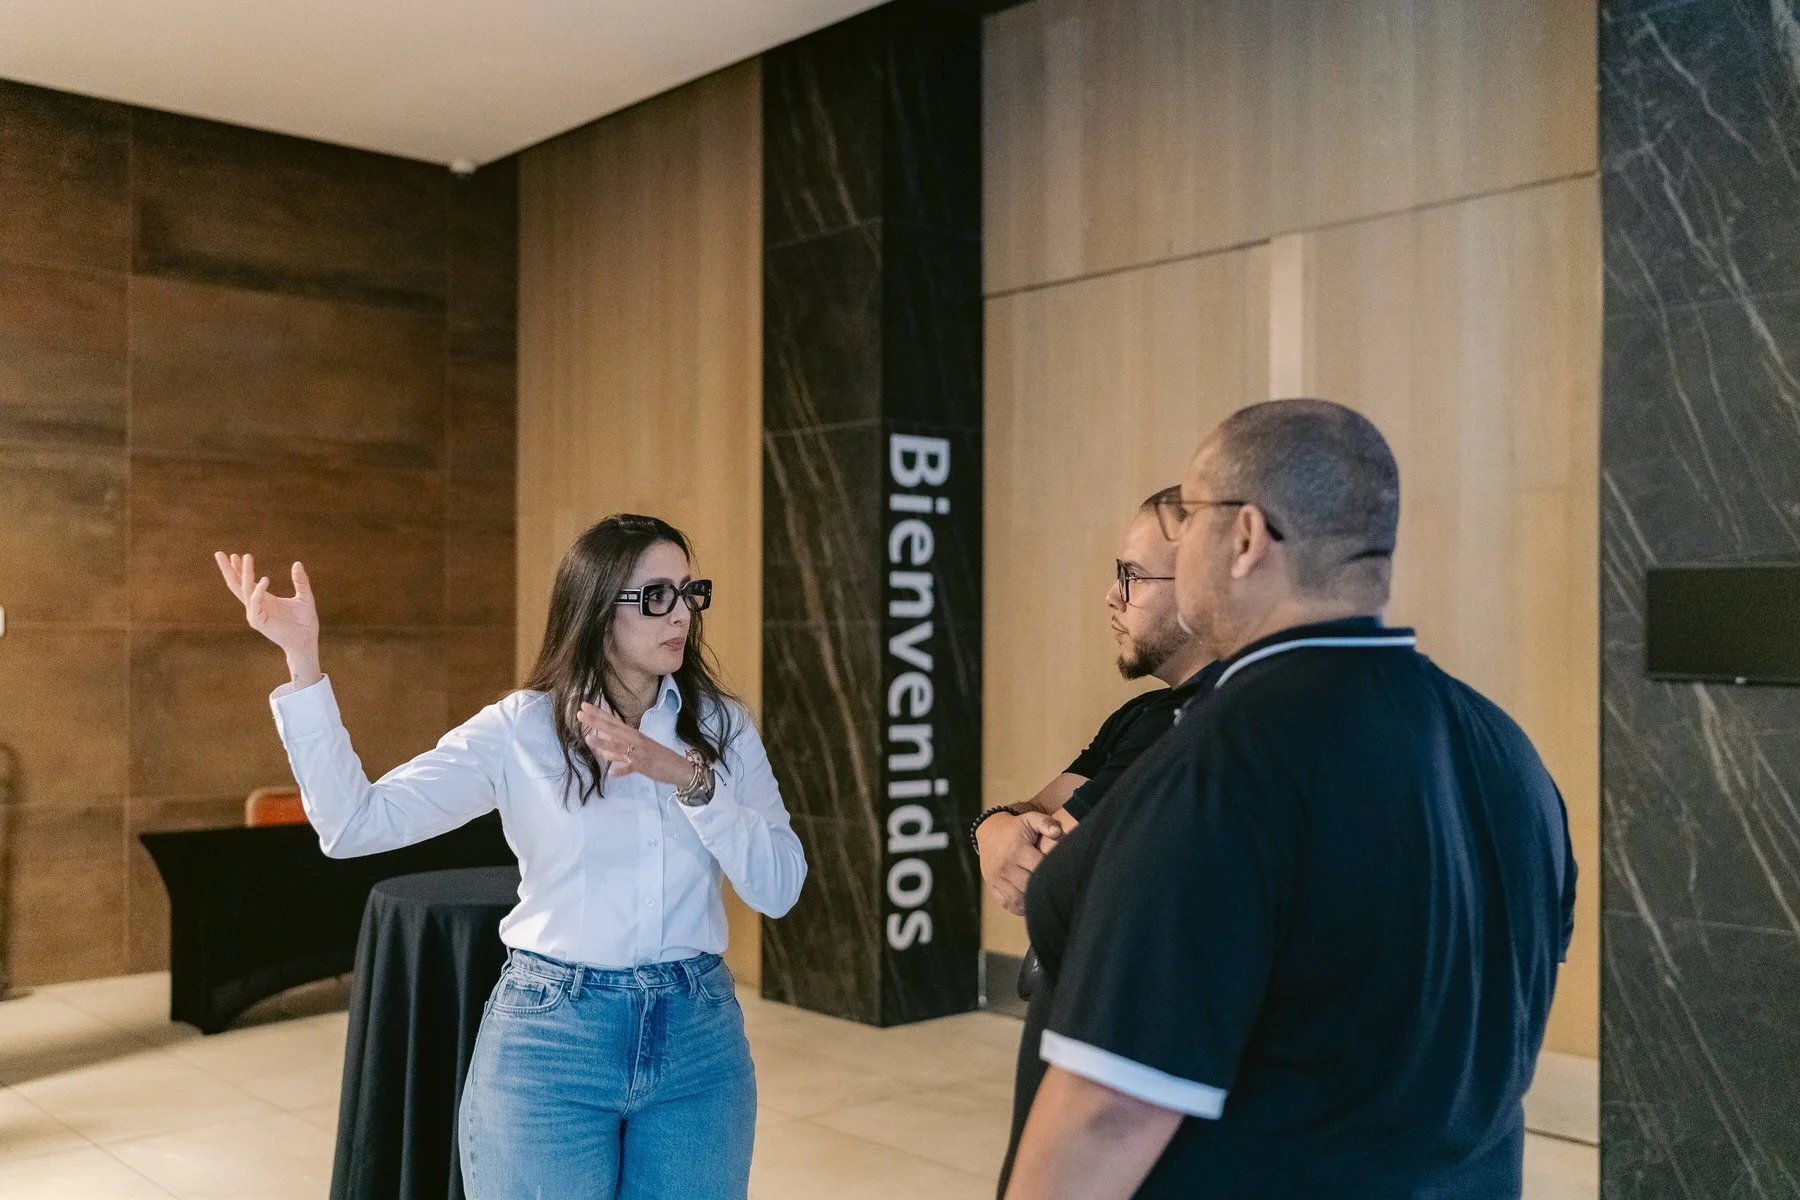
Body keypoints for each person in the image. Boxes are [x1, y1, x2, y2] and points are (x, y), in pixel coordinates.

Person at [1005, 400, 1577, 1200]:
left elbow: (1111, 1110)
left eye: (1192, 516)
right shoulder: (1506, 751)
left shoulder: (1223, 761)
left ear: (1244, 538)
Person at [215, 514, 806, 1200]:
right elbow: (354, 825)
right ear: (594, 610)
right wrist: (303, 661)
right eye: (654, 597)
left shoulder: (721, 727)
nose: (680, 614)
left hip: (697, 1038)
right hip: (553, 1039)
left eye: (688, 592)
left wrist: (688, 780)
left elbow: (781, 887)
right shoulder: (521, 729)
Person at [972, 486, 1214, 1195]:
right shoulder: (1141, 716)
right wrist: (992, 829)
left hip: (1115, 1051)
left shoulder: (1194, 731)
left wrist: (1017, 841)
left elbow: (1049, 861)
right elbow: (1025, 816)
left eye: (1133, 578)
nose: (1112, 597)